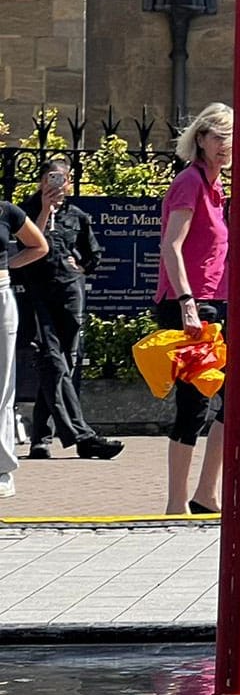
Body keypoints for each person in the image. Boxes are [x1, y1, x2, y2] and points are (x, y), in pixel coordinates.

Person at [156, 103, 235, 516]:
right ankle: (175, 501)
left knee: (233, 398)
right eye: (218, 136)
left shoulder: (217, 186)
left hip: (215, 303)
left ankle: (206, 492)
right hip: (189, 304)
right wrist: (188, 304)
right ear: (200, 139)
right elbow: (172, 245)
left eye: (231, 137)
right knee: (194, 402)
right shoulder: (189, 182)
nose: (225, 145)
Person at [19, 159, 121, 462]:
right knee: (53, 362)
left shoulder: (77, 216)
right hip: (38, 295)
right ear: (41, 181)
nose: (57, 185)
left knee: (60, 367)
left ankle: (41, 437)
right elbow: (26, 247)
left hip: (69, 294)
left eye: (63, 179)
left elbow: (94, 254)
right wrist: (44, 212)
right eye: (52, 178)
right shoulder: (26, 212)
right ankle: (82, 437)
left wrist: (81, 266)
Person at [0, 201, 51, 499]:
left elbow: (38, 246)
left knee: (3, 386)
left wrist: (9, 265)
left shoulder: (7, 211)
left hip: (1, 295)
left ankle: (3, 469)